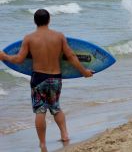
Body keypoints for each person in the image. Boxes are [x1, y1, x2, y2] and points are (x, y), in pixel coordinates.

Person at [0, 9, 93, 152]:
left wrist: (4, 57)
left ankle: (43, 144)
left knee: (40, 111)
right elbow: (71, 56)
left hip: (39, 78)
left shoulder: (29, 38)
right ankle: (64, 134)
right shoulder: (59, 36)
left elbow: (19, 59)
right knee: (56, 107)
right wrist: (84, 72)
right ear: (49, 20)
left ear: (34, 21)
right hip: (55, 78)